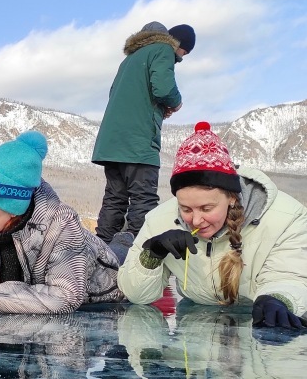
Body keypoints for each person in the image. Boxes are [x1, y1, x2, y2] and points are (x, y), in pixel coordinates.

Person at [118, 122, 307, 328]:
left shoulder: (286, 217)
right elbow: (136, 295)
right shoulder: (159, 221)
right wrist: (152, 255)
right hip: (193, 344)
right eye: (186, 209)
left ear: (231, 198)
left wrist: (278, 298)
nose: (196, 220)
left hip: (253, 336)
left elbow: (291, 278)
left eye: (207, 208)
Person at [0, 131, 124, 315]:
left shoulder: (62, 224)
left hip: (104, 302)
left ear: (14, 209)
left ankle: (125, 240)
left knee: (123, 253)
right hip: (21, 318)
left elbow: (65, 297)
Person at [92, 22, 196, 245]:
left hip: (112, 143)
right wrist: (175, 103)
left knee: (114, 199)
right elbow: (163, 88)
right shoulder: (163, 49)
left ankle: (100, 253)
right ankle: (139, 254)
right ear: (178, 44)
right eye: (183, 53)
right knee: (143, 198)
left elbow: (118, 94)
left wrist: (156, 107)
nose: (181, 58)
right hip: (138, 142)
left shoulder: (129, 59)